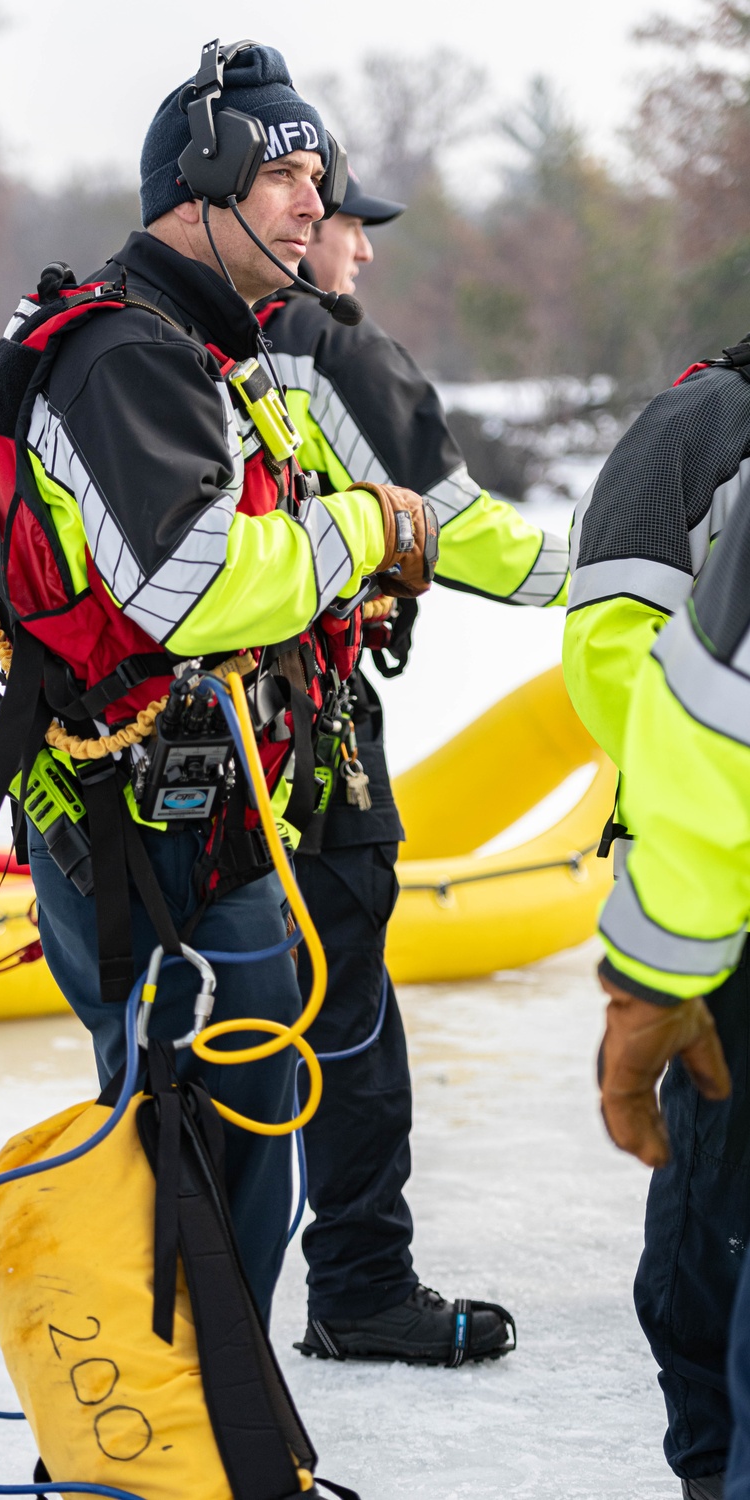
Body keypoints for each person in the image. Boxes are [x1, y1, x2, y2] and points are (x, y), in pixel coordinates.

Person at [0, 43, 431, 1331]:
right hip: (149, 835)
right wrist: (359, 530)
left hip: (210, 821)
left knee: (231, 1140)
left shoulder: (205, 348)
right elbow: (189, 583)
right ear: (202, 182)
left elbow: (252, 548)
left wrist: (341, 565)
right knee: (193, 1150)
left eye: (317, 176)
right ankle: (170, 1434)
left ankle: (207, 1420)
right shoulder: (127, 355)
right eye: (290, 173)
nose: (317, 203)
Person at [256, 166, 569, 1365]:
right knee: (350, 1018)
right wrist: (643, 559)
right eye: (348, 226)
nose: (360, 255)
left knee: (199, 1024)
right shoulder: (317, 338)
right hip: (302, 750)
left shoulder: (169, 338)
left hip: (169, 765)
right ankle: (361, 1285)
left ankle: (177, 1311)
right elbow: (467, 532)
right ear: (280, 215)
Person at [564, 340, 750, 1499]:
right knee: (716, 1183)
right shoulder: (703, 425)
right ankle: (709, 1453)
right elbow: (619, 667)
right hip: (725, 890)